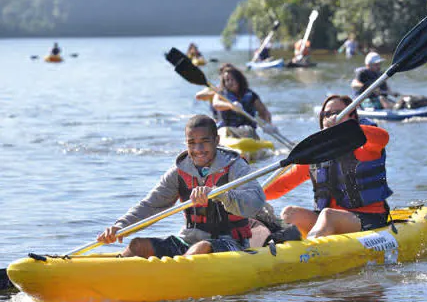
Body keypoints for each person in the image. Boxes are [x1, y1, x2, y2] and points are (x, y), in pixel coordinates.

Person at [97, 115, 266, 257]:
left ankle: (173, 279)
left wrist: (220, 194)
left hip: (231, 243)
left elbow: (256, 202)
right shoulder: (179, 172)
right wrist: (121, 226)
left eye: (204, 141)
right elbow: (150, 205)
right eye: (192, 142)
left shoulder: (235, 166)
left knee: (201, 248)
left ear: (216, 140)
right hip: (188, 241)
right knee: (137, 246)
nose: (198, 149)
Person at [265, 95, 392, 238]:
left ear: (352, 116)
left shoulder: (365, 148)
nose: (330, 117)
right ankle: (283, 250)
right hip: (328, 220)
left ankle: (310, 251)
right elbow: (281, 185)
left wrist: (346, 129)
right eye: (326, 114)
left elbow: (383, 137)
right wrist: (249, 195)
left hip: (369, 218)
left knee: (328, 215)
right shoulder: (317, 156)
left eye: (337, 113)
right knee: (290, 213)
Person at [211, 64, 275, 139]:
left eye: (232, 79)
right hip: (226, 130)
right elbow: (216, 104)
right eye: (227, 80)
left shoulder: (250, 95)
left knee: (248, 131)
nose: (229, 83)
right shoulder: (220, 93)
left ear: (239, 80)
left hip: (247, 130)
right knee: (225, 131)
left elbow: (264, 111)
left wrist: (268, 124)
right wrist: (231, 106)